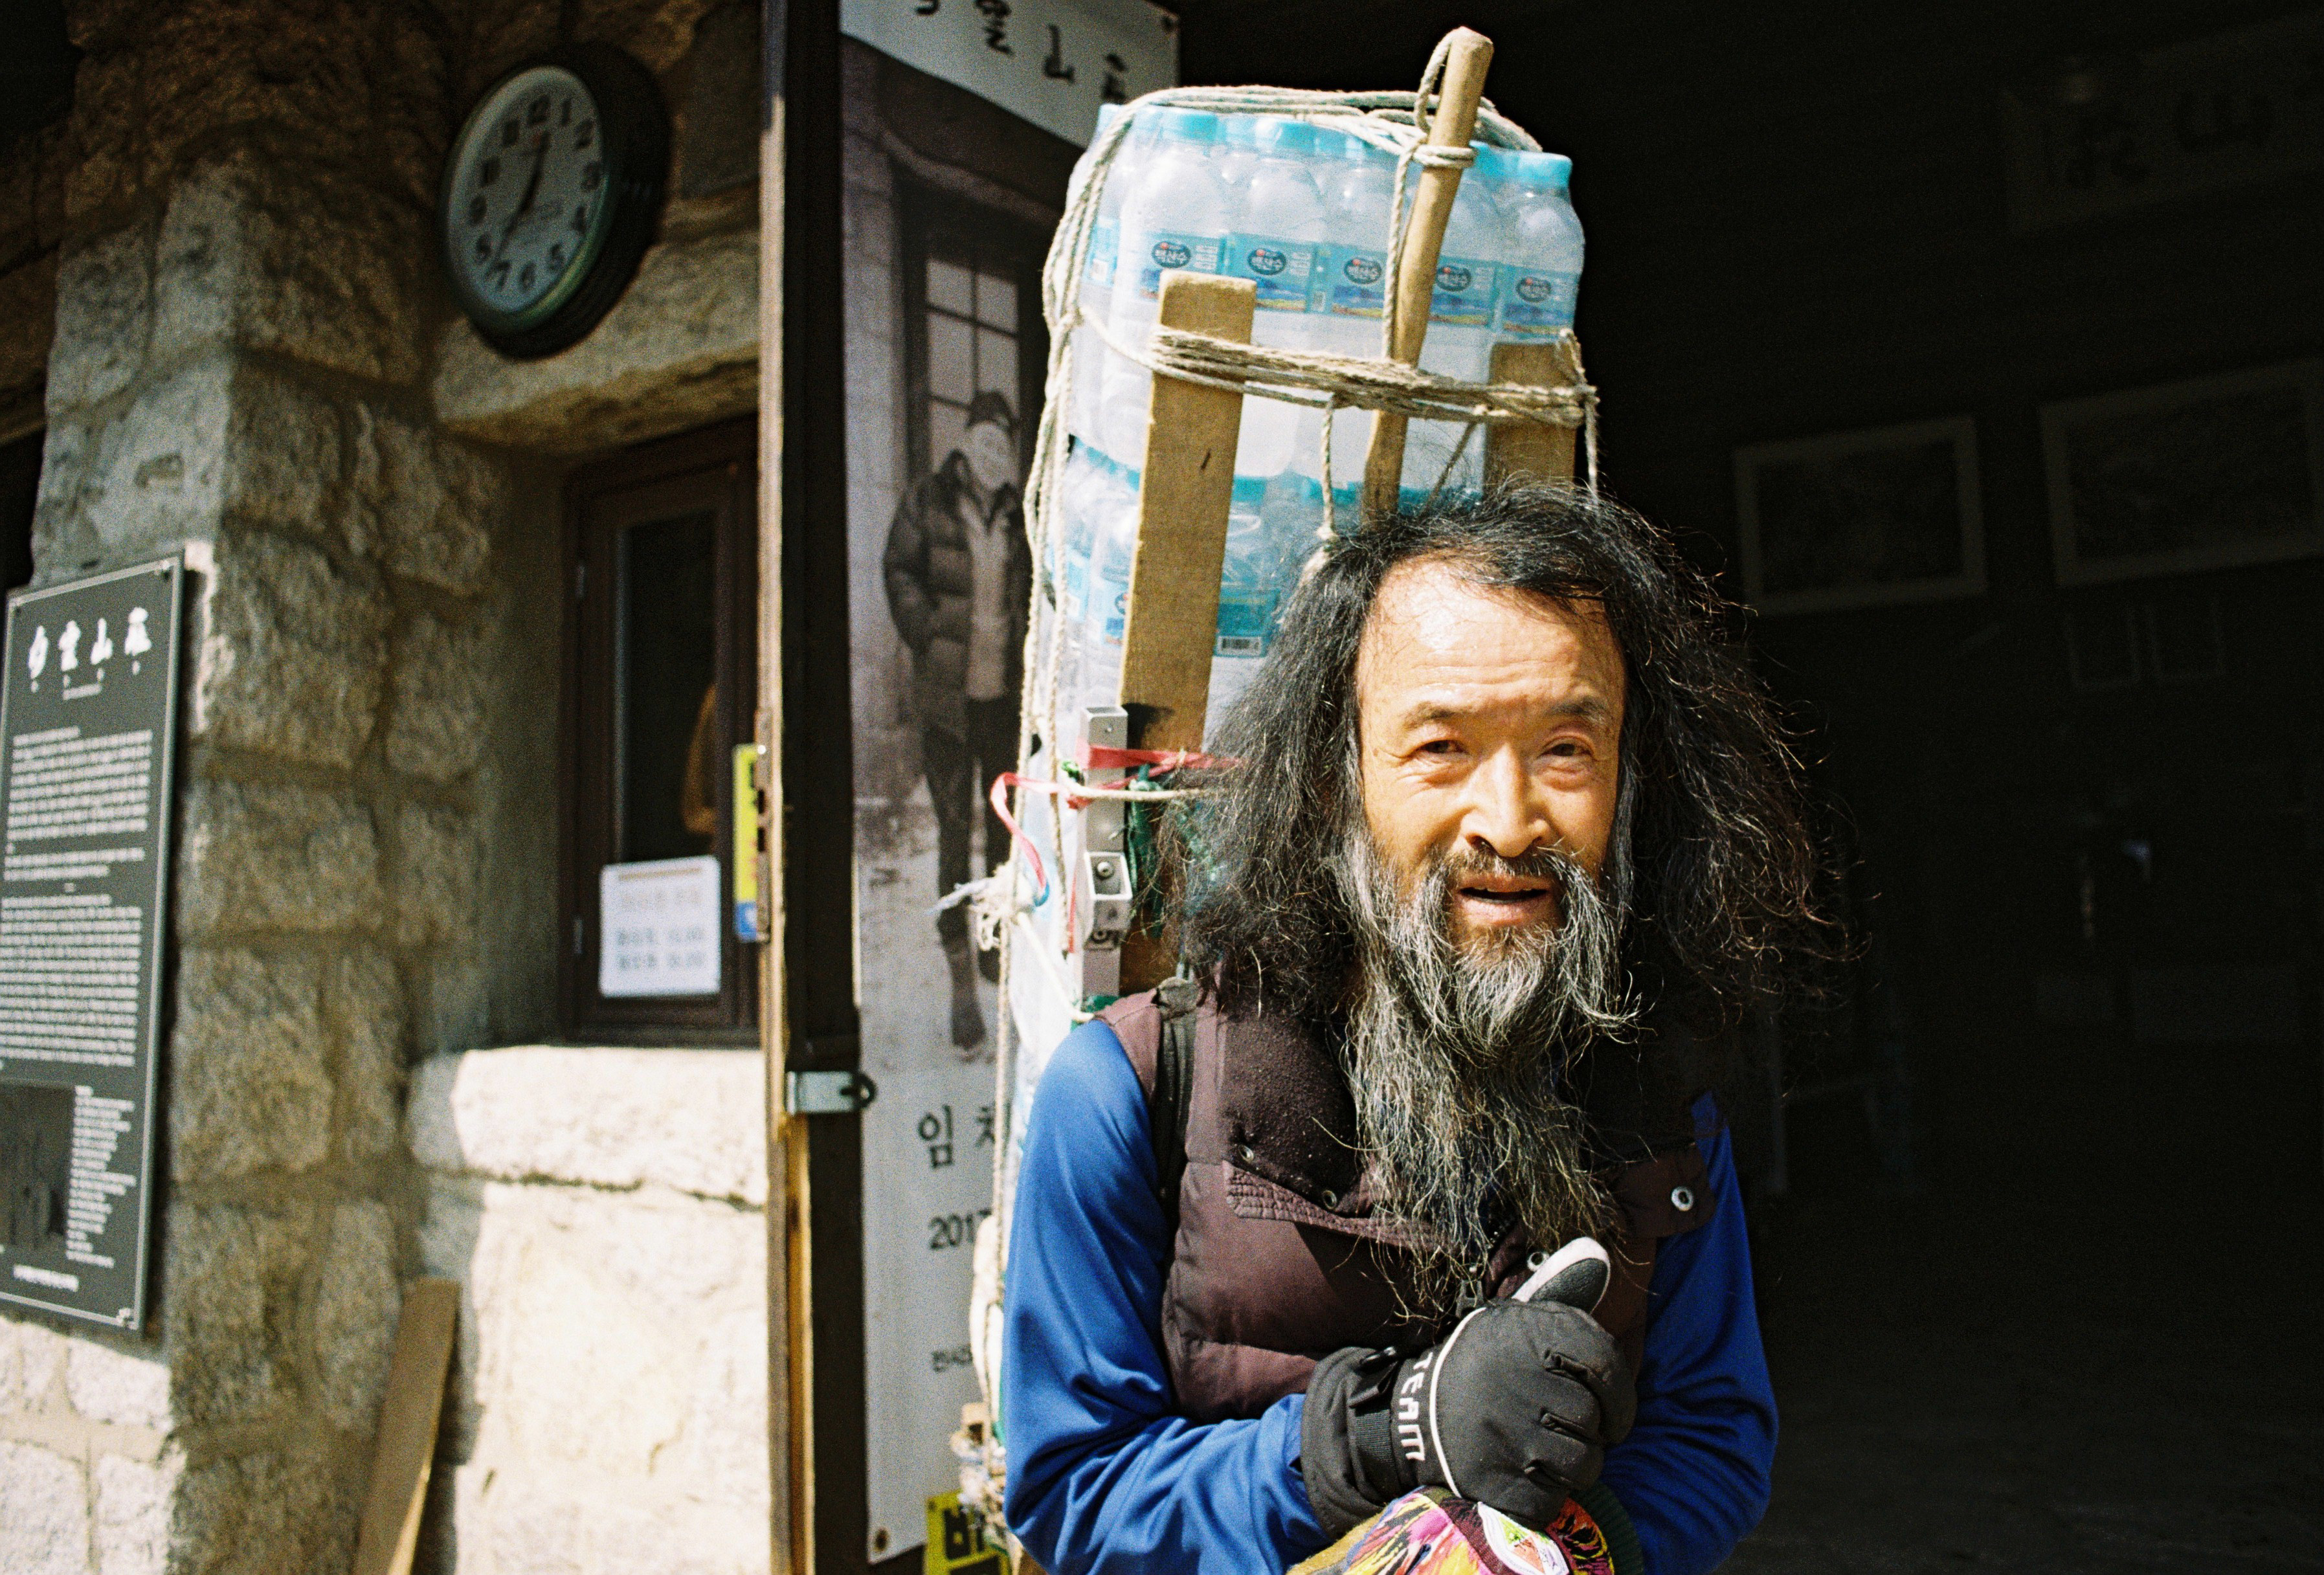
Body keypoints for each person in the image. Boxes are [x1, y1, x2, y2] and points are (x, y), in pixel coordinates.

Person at [1002, 487, 1834, 1575]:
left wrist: (1562, 1552)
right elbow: (1072, 1491)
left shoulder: (1661, 1096)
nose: (1510, 818)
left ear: (1635, 779)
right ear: (1337, 776)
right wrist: (1384, 1431)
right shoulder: (1131, 1088)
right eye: (1441, 745)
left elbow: (1715, 1438)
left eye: (1568, 748)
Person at [883, 390, 1031, 1055]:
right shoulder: (929, 498)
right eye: (984, 438)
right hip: (947, 698)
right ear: (967, 442)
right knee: (951, 831)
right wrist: (924, 634)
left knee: (1001, 829)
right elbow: (900, 568)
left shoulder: (1021, 511)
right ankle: (958, 986)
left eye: (1003, 441)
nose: (992, 451)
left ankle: (992, 945)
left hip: (1001, 696)